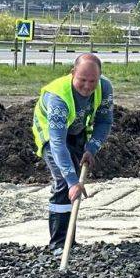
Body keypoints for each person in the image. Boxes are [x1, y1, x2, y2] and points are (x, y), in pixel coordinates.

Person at [32, 53, 114, 256]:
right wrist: (72, 182)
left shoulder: (104, 88)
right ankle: (59, 244)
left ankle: (70, 240)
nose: (87, 86)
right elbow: (58, 143)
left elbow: (104, 122)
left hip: (76, 131)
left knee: (75, 180)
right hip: (52, 135)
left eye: (92, 81)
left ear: (100, 77)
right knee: (64, 182)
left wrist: (91, 148)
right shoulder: (58, 98)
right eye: (82, 80)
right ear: (72, 74)